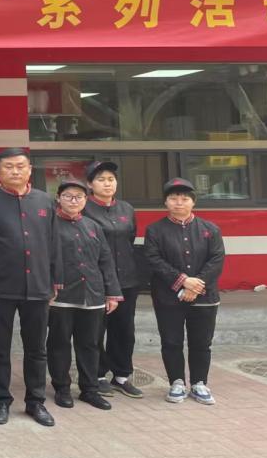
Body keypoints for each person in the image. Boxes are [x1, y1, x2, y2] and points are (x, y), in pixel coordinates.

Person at [0, 148, 57, 428]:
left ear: (29, 169)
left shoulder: (45, 201)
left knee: (37, 348)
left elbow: (54, 243)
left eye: (20, 166)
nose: (15, 171)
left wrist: (55, 280)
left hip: (38, 286)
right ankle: (1, 400)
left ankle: (36, 401)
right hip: (0, 288)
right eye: (8, 166)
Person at [145, 178, 225, 406]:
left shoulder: (210, 229)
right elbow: (153, 259)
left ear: (193, 202)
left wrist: (196, 284)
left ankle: (199, 383)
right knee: (171, 341)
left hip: (204, 295)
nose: (179, 202)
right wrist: (182, 281)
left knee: (202, 342)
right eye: (173, 198)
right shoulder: (155, 230)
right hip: (168, 297)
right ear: (166, 202)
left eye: (184, 198)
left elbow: (217, 259)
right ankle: (176, 382)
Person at [48, 179, 122, 412]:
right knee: (59, 343)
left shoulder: (93, 226)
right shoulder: (49, 225)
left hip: (92, 294)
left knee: (90, 344)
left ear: (85, 200)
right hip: (60, 296)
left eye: (79, 197)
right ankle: (61, 388)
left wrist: (112, 293)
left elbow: (106, 260)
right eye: (68, 196)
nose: (74, 201)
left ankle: (89, 389)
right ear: (58, 198)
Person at [82, 160, 145, 398]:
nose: (107, 184)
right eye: (101, 180)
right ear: (90, 184)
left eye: (111, 179)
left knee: (124, 329)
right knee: (95, 330)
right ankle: (98, 375)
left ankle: (121, 375)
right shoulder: (84, 209)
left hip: (127, 279)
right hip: (96, 281)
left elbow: (130, 238)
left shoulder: (126, 209)